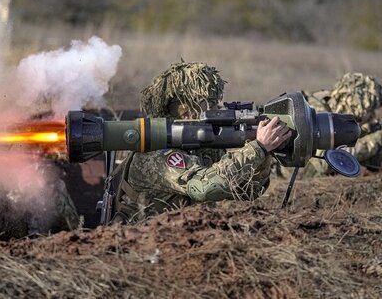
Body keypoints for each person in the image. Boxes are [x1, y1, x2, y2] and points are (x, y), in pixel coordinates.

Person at [110, 61, 291, 224]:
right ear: (184, 111)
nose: (215, 109)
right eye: (207, 103)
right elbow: (204, 187)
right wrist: (257, 148)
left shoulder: (200, 147)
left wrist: (264, 153)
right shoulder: (156, 153)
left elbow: (247, 191)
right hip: (139, 244)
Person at [294, 73, 382, 177]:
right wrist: (374, 141)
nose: (373, 117)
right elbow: (325, 163)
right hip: (284, 180)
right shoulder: (314, 113)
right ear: (357, 106)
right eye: (370, 111)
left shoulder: (345, 119)